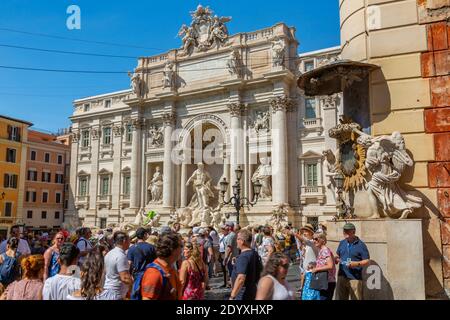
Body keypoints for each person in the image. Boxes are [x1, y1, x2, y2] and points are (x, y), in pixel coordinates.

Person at [141, 232, 183, 300]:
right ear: (172, 249)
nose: (182, 250)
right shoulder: (154, 273)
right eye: (181, 246)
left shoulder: (170, 268)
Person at [335, 223, 370, 300]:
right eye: (344, 230)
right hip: (342, 276)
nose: (345, 232)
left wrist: (356, 264)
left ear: (353, 232)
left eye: (347, 231)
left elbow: (367, 260)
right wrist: (336, 259)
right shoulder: (342, 243)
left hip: (355, 278)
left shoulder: (361, 245)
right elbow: (337, 255)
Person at [230, 229, 262, 300]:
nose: (236, 241)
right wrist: (238, 259)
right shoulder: (254, 253)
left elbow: (241, 278)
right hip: (252, 290)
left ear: (242, 241)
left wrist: (232, 296)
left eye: (238, 239)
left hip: (242, 294)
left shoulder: (243, 257)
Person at [103, 231, 132, 299]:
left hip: (109, 291)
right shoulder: (121, 256)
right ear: (124, 240)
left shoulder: (109, 253)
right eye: (129, 240)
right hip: (116, 294)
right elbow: (125, 278)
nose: (130, 242)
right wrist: (132, 287)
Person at [294, 224, 319, 295]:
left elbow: (303, 239)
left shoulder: (313, 242)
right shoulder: (307, 243)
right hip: (306, 272)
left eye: (306, 231)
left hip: (311, 272)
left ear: (311, 233)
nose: (304, 233)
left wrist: (295, 234)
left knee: (310, 294)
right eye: (303, 231)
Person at [311, 233, 336, 300]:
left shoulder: (325, 250)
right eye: (313, 239)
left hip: (327, 282)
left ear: (322, 240)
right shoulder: (322, 250)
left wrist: (317, 269)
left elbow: (330, 265)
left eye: (316, 239)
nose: (314, 241)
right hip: (325, 281)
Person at [223, 222, 239, 287]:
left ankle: (233, 291)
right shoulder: (232, 235)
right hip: (232, 256)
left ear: (229, 227)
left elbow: (229, 248)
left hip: (231, 257)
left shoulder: (231, 235)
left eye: (226, 226)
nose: (224, 227)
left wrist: (225, 258)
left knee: (232, 274)